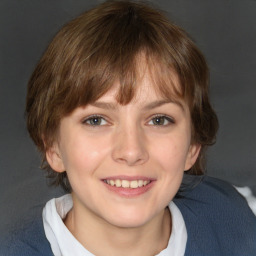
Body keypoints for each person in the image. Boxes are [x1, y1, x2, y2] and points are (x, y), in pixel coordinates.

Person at [2, 1, 256, 255]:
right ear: (53, 147)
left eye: (158, 120)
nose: (131, 151)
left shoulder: (231, 218)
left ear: (193, 145)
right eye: (96, 120)